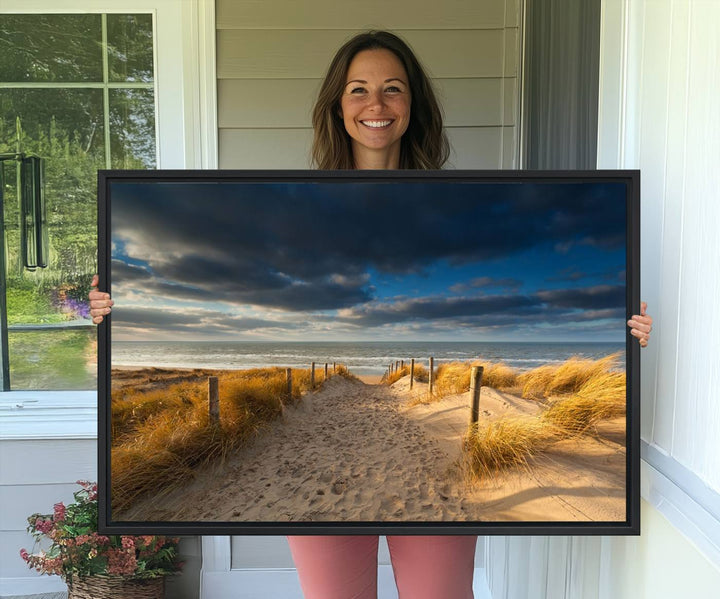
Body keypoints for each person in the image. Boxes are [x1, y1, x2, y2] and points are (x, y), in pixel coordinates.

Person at [89, 30, 653, 599]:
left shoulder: (454, 204)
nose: (376, 105)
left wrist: (623, 330)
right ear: (338, 105)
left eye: (393, 89)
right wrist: (113, 313)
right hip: (319, 480)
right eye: (358, 90)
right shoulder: (298, 206)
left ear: (413, 105)